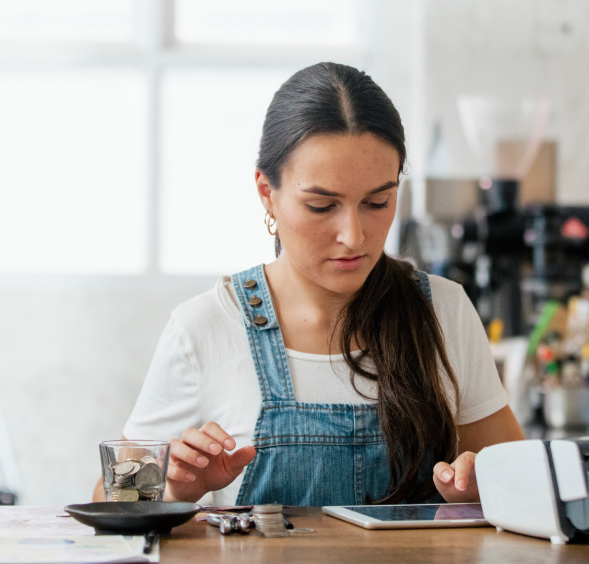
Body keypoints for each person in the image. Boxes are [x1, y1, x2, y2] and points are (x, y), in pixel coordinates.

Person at [96, 62, 523, 507]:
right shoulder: (204, 328)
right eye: (322, 205)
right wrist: (171, 491)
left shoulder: (443, 311)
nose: (354, 236)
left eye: (377, 201)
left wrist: (484, 490)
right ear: (267, 193)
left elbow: (524, 486)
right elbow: (111, 502)